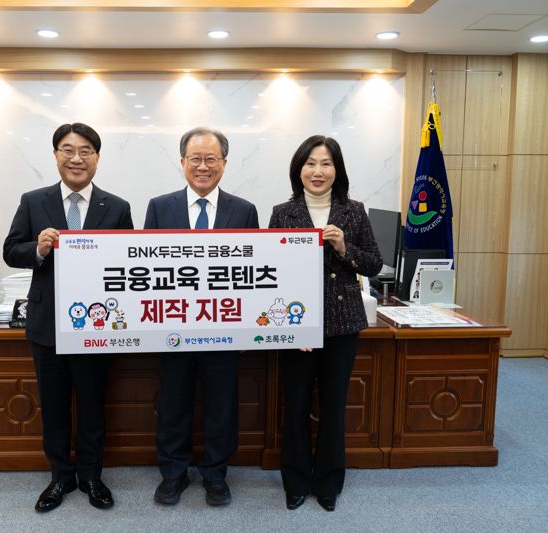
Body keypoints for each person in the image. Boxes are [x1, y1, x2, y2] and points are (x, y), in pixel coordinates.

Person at [3, 123, 134, 512]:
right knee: (54, 406)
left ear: (97, 157)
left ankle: (91, 476)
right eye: (68, 150)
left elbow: (129, 262)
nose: (77, 158)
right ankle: (60, 477)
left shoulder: (117, 207)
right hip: (48, 323)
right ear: (56, 155)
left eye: (85, 151)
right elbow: (11, 250)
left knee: (92, 406)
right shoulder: (33, 201)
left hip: (97, 324)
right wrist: (38, 249)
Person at [144, 127, 259, 507]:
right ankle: (173, 474)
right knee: (172, 404)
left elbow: (253, 273)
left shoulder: (244, 211)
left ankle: (215, 474)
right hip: (173, 327)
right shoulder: (159, 207)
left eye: (211, 159)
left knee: (221, 406)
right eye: (196, 158)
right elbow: (145, 270)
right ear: (182, 162)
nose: (203, 166)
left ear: (224, 163)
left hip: (224, 329)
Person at [268, 135, 382, 512]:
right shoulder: (282, 213)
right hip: (296, 324)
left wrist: (344, 248)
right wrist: (293, 327)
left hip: (342, 324)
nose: (318, 171)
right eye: (311, 163)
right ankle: (296, 481)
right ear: (298, 169)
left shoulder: (354, 211)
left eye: (326, 163)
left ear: (337, 170)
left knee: (334, 406)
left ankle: (329, 481)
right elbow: (272, 273)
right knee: (296, 405)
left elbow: (374, 264)